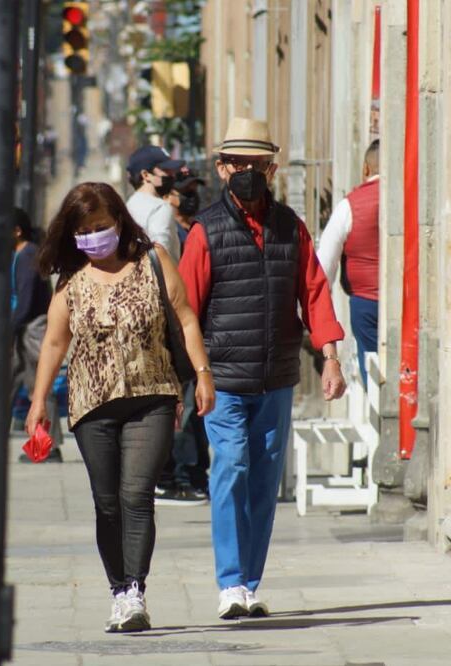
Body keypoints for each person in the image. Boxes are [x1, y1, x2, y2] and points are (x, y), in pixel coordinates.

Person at [26, 182, 215, 633]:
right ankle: (117, 588)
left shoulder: (152, 261)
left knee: (137, 495)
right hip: (92, 405)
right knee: (106, 502)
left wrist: (204, 373)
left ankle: (134, 592)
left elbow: (186, 316)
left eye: (100, 227)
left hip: (153, 395)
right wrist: (38, 403)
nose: (93, 236)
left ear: (119, 222)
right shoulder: (70, 282)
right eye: (84, 230)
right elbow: (54, 343)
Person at [179, 117, 347, 620]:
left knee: (264, 479)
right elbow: (186, 308)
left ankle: (250, 583)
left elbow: (315, 291)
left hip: (276, 377)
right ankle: (230, 582)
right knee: (230, 467)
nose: (247, 172)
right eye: (238, 164)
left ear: (271, 169)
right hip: (225, 378)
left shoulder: (290, 227)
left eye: (256, 164)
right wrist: (192, 376)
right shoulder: (204, 232)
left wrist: (331, 357)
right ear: (222, 168)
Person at [154, 170, 211, 505]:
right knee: (185, 410)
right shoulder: (167, 235)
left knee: (196, 411)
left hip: (201, 330)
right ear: (168, 197)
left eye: (193, 190)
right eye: (183, 191)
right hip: (179, 332)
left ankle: (193, 472)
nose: (190, 197)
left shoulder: (197, 228)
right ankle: (177, 475)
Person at [317, 140, 380, 386]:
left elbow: (324, 267)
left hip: (365, 304)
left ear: (366, 168)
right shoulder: (412, 198)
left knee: (372, 367)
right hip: (409, 302)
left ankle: (381, 419)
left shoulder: (350, 205)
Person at [10, 207, 63, 462]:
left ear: (17, 231)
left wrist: (9, 328)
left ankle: (47, 447)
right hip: (25, 328)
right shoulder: (21, 255)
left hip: (33, 328)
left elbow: (26, 301)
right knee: (28, 387)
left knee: (41, 389)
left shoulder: (28, 255)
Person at [125, 145, 183, 263]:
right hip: (163, 279)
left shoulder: (128, 205)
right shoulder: (160, 207)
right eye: (165, 170)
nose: (171, 175)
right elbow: (161, 254)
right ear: (146, 175)